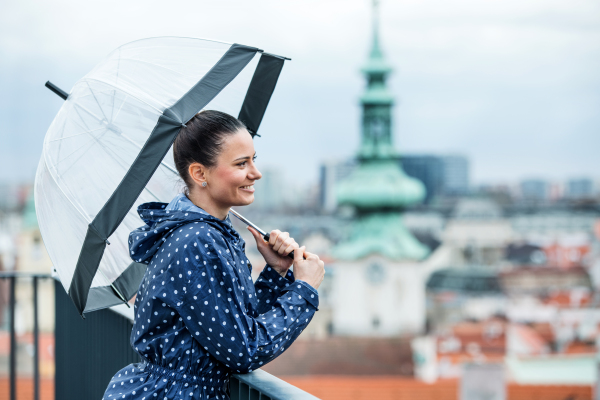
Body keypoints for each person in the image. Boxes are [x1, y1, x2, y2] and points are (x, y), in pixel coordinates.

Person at [102, 110, 325, 400]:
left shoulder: (205, 233)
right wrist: (304, 291)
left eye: (253, 160)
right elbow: (245, 349)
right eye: (241, 163)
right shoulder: (199, 241)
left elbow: (233, 324)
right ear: (199, 173)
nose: (255, 173)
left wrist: (276, 272)